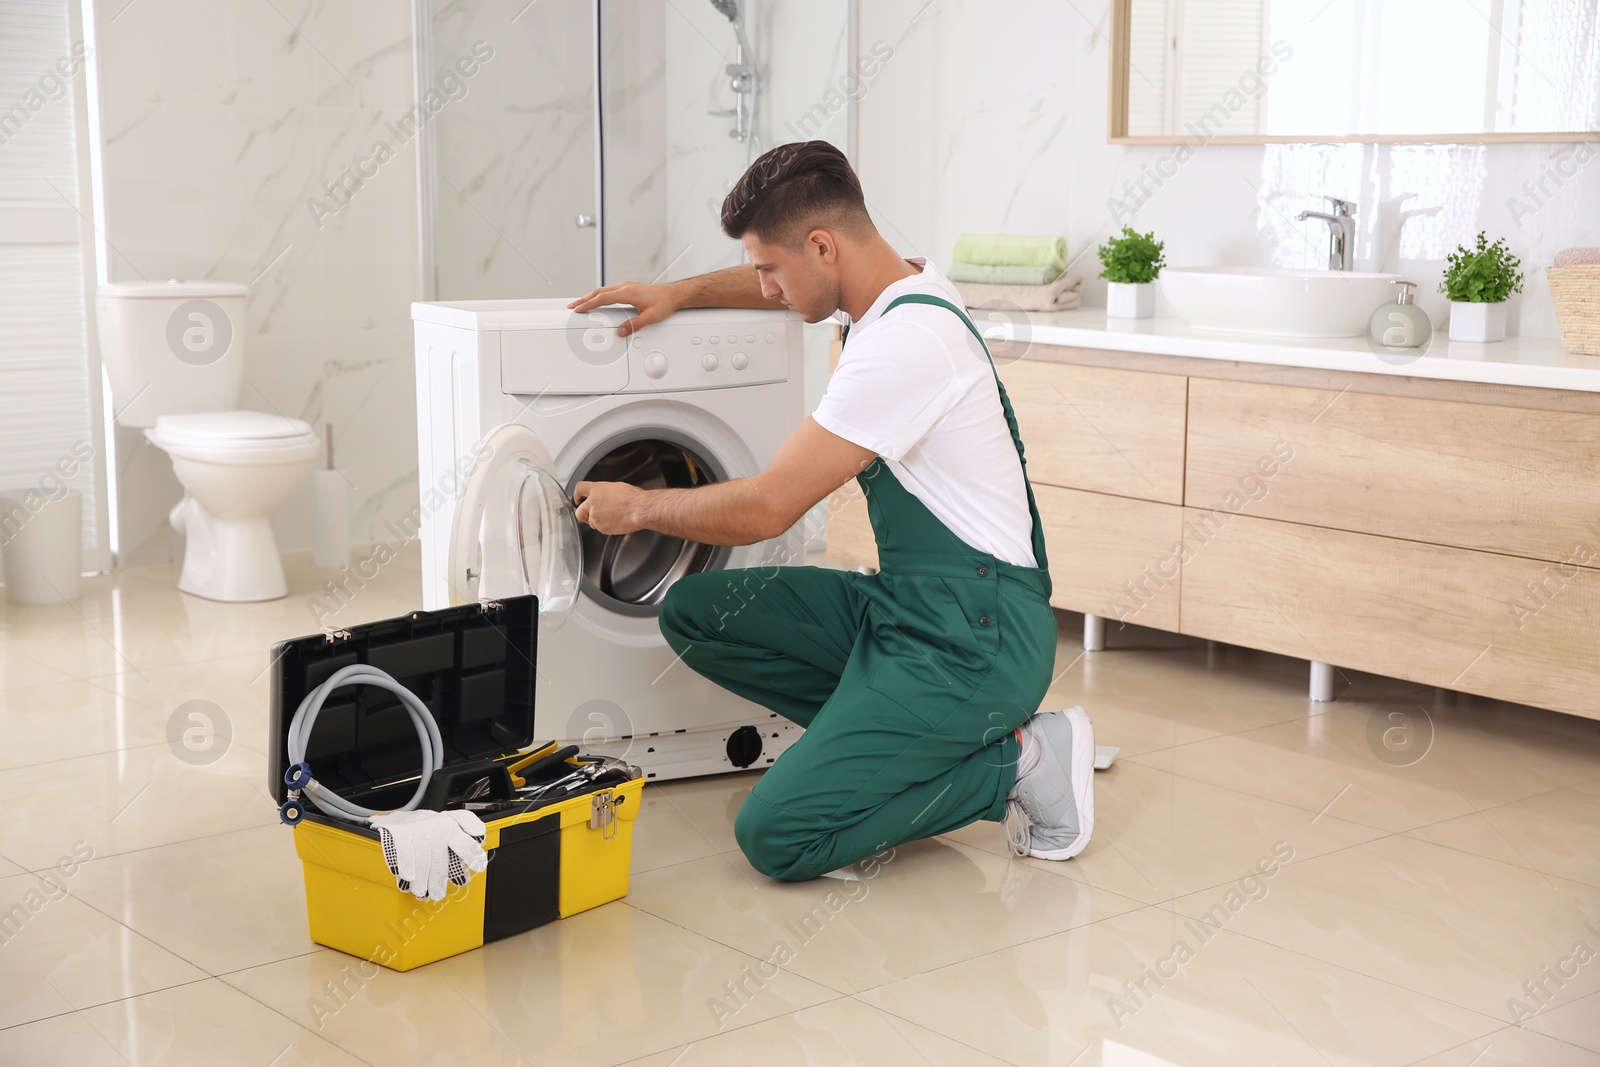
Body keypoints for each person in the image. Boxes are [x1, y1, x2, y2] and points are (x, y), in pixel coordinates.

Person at [568, 140, 1093, 882]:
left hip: (979, 637)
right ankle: (891, 741)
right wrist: (680, 293)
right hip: (913, 606)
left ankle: (1015, 762)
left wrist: (642, 507)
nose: (766, 287)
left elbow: (767, 507)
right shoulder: (894, 284)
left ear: (823, 246)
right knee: (695, 609)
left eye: (768, 267)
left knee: (777, 835)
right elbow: (790, 281)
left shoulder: (905, 343)